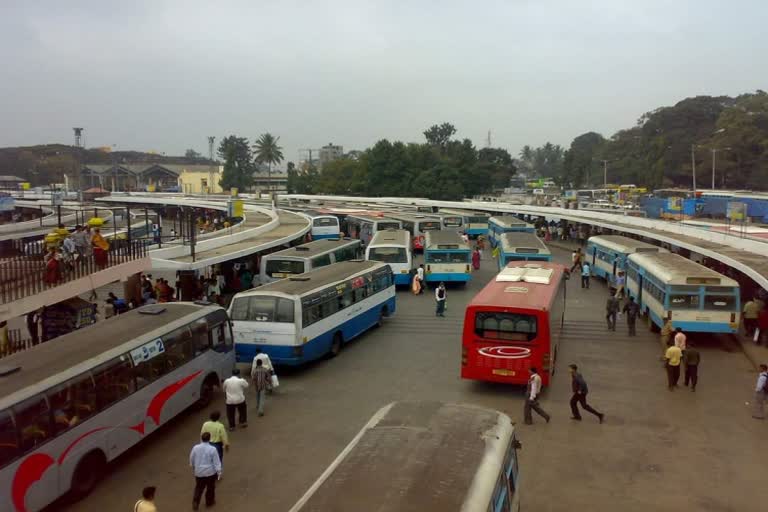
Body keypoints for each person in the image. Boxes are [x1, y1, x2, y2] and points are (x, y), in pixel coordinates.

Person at [189, 432, 221, 510]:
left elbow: (191, 458)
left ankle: (195, 502)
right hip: (210, 473)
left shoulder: (195, 448)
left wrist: (193, 466)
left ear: (201, 438)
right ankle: (209, 502)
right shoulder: (212, 449)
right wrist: (219, 472)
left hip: (199, 472)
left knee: (199, 488)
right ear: (209, 439)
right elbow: (216, 462)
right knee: (210, 488)